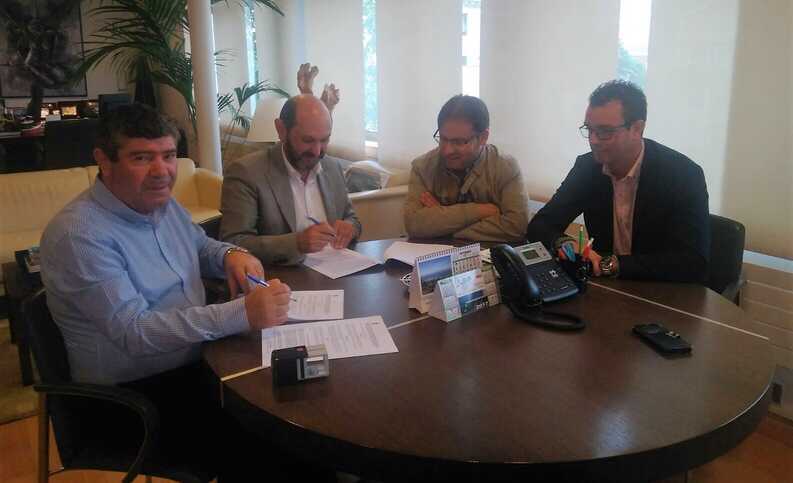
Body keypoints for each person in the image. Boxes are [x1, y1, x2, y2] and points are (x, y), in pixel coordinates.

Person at [39, 103, 331, 482]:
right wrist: (242, 313)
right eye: (142, 157)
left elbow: (200, 246)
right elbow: (135, 332)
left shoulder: (160, 205)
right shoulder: (79, 236)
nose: (161, 171)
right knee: (279, 444)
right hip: (131, 400)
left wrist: (232, 254)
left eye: (168, 155)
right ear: (104, 161)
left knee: (308, 408)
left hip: (195, 364)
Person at [526, 80, 710, 282]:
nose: (593, 140)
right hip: (606, 289)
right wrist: (566, 244)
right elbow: (540, 225)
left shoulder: (683, 175)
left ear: (637, 129)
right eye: (589, 129)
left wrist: (612, 264)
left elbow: (693, 262)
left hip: (663, 291)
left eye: (605, 132)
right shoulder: (588, 168)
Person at [220, 94, 361, 265]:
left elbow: (351, 219)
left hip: (336, 270)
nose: (317, 151)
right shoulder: (247, 173)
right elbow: (233, 244)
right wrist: (296, 243)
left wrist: (350, 228)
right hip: (280, 276)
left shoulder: (333, 168)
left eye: (324, 140)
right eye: (307, 140)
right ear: (281, 130)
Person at [403, 95, 529, 242]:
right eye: (443, 139)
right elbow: (414, 224)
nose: (447, 150)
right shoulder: (423, 167)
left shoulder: (505, 167)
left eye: (459, 142)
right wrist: (480, 211)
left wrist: (442, 222)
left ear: (483, 137)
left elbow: (516, 227)